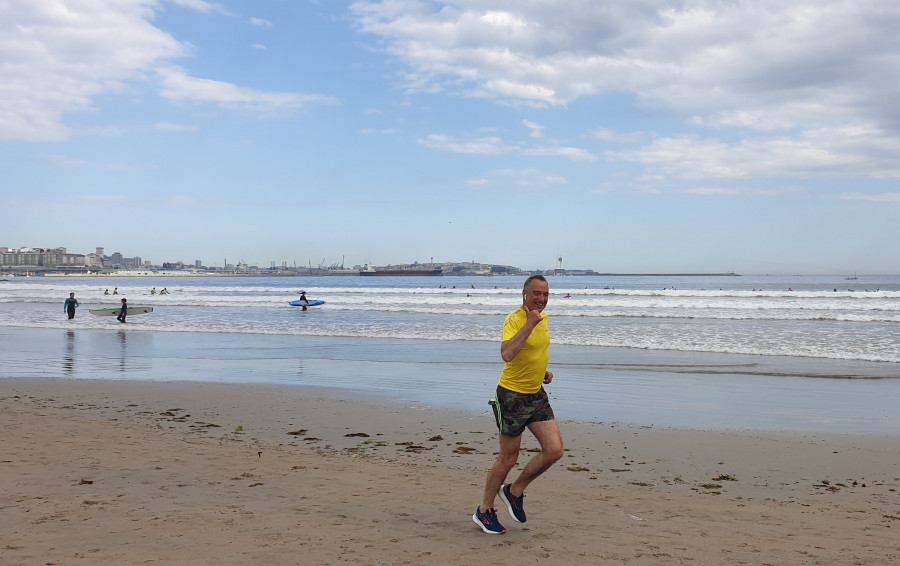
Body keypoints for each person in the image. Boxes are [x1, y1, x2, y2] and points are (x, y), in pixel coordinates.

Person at [473, 275, 563, 535]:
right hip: (511, 397)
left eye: (546, 294)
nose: (542, 299)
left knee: (554, 450)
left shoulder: (543, 318)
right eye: (537, 293)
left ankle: (514, 491)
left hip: (536, 394)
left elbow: (534, 351)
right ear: (524, 294)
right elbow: (507, 354)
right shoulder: (516, 319)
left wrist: (543, 372)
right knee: (508, 458)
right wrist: (529, 324)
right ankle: (484, 510)